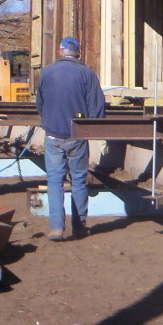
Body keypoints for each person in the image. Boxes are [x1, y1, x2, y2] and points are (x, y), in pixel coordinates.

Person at [35, 36, 106, 241]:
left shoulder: (47, 72)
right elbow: (97, 106)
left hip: (53, 134)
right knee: (79, 181)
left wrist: (47, 120)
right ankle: (79, 225)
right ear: (78, 53)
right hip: (78, 135)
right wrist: (95, 130)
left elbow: (40, 103)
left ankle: (57, 228)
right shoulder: (87, 74)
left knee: (54, 181)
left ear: (60, 51)